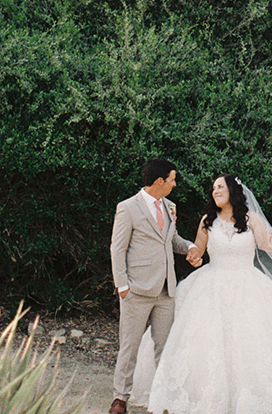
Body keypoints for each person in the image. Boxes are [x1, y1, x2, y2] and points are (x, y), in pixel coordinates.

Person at [131, 173, 272, 414]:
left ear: (233, 190)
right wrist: (191, 254)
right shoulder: (207, 220)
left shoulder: (250, 218)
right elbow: (197, 253)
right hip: (210, 287)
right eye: (213, 188)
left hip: (248, 286)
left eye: (220, 187)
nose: (215, 191)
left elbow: (269, 245)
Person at [108, 158, 201, 414]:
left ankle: (163, 400)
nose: (174, 184)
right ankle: (120, 399)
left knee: (165, 347)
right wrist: (122, 286)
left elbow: (170, 240)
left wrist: (190, 247)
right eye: (172, 179)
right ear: (160, 181)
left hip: (166, 290)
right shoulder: (128, 208)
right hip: (136, 290)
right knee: (130, 345)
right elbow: (118, 248)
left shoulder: (170, 207)